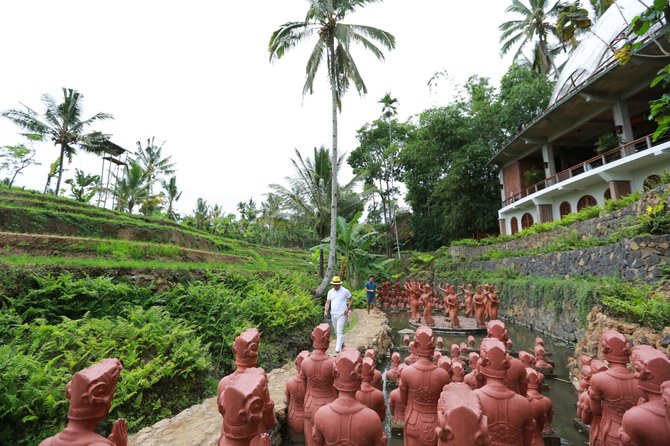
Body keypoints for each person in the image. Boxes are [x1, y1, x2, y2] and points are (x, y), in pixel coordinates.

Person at [323, 275, 352, 354]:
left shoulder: (345, 291)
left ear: (340, 284)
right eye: (334, 285)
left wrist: (348, 308)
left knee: (339, 331)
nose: (336, 286)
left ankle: (338, 349)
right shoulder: (330, 292)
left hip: (342, 314)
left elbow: (351, 299)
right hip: (333, 314)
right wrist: (326, 311)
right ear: (332, 284)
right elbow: (328, 302)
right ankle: (342, 343)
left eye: (337, 285)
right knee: (336, 331)